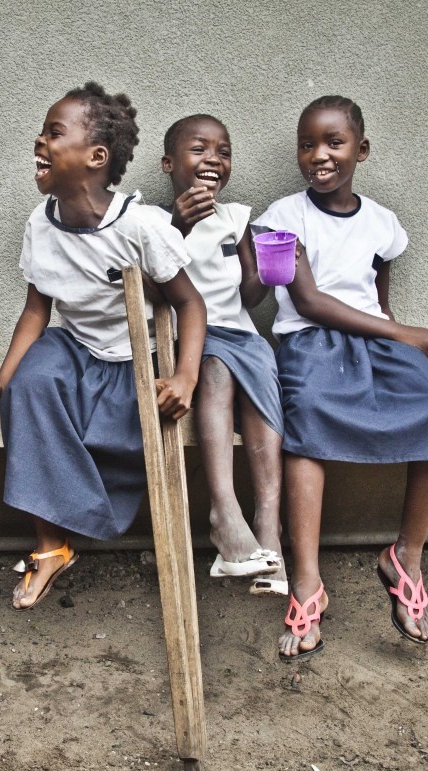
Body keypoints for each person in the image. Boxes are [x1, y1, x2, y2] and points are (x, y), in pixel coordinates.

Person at [252, 96, 428, 660]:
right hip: (309, 341)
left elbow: (379, 300)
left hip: (378, 341)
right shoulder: (283, 215)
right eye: (307, 144)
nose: (318, 155)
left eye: (333, 143)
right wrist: (407, 335)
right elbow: (309, 300)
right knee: (307, 424)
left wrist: (406, 348)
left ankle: (406, 557)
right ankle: (307, 582)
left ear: (362, 150)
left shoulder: (382, 223)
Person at [0, 82, 207, 610]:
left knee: (122, 426)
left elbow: (191, 305)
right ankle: (50, 544)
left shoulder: (141, 226)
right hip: (77, 350)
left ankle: (85, 520)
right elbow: (38, 310)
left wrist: (186, 375)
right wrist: (2, 381)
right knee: (32, 381)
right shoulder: (41, 223)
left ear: (96, 156)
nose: (40, 140)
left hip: (135, 357)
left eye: (55, 133)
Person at [161, 114, 285, 593]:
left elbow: (249, 295)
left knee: (261, 386)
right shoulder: (156, 220)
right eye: (199, 149)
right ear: (170, 163)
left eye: (224, 151)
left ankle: (268, 530)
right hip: (197, 341)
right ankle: (224, 512)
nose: (213, 158)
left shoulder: (238, 219)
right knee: (215, 371)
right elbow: (154, 287)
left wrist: (276, 271)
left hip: (243, 335)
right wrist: (178, 224)